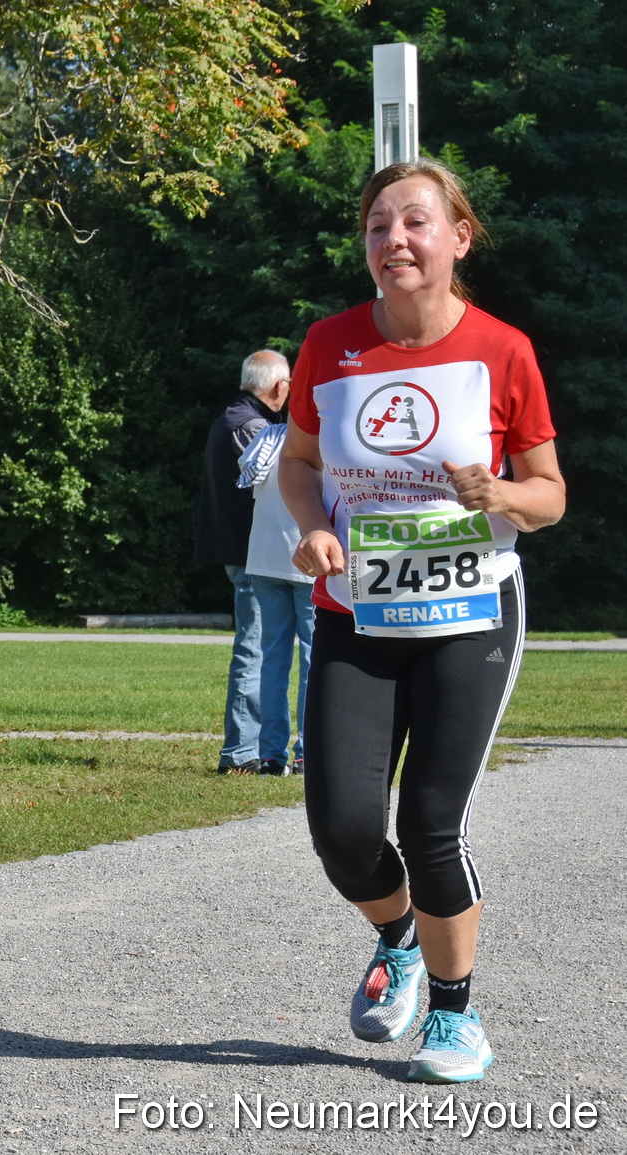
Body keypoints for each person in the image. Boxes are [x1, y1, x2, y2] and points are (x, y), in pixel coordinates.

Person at [280, 157, 563, 1083]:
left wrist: (503, 491)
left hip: (470, 605)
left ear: (457, 238)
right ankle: (397, 935)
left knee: (433, 820)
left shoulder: (503, 349)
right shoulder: (331, 342)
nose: (392, 241)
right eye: (376, 227)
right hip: (358, 610)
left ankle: (454, 1015)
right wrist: (315, 527)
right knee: (344, 829)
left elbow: (551, 497)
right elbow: (299, 462)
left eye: (413, 223)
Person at [194, 350, 291, 774]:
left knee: (256, 648)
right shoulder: (251, 426)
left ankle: (245, 748)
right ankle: (239, 752)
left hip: (243, 551)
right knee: (253, 651)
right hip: (253, 555)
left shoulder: (231, 418)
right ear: (277, 386)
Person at [236, 419, 315, 775]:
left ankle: (270, 755)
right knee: (314, 660)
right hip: (309, 561)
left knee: (273, 661)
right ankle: (306, 753)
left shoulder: (267, 438)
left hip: (264, 559)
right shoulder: (322, 439)